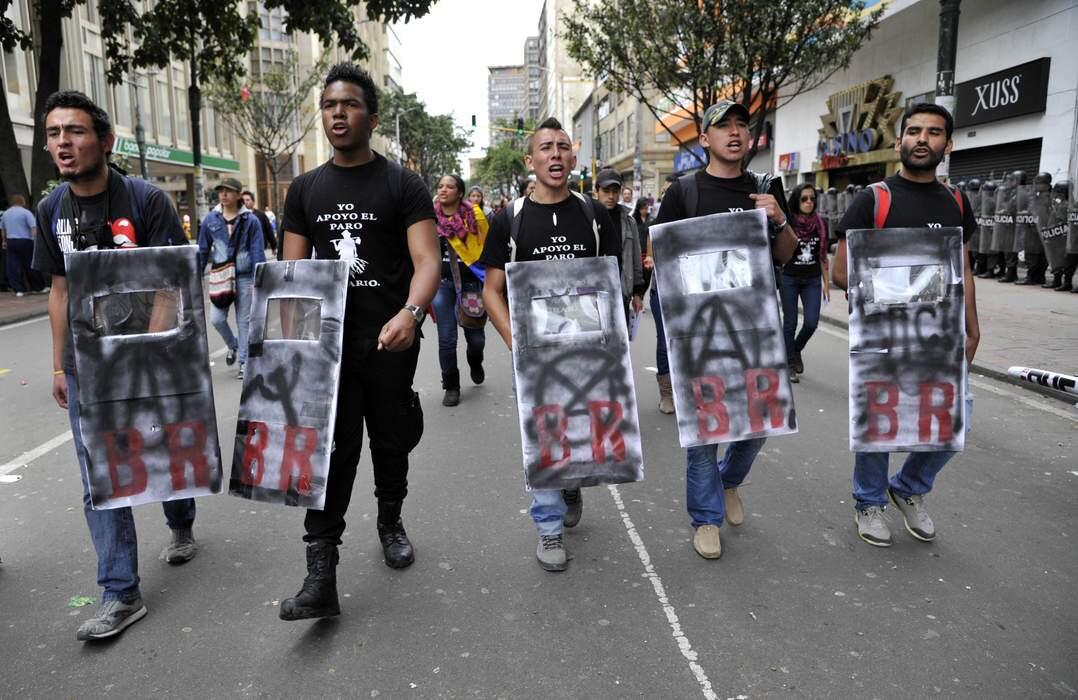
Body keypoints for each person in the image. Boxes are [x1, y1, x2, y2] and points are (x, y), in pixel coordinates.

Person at [31, 90, 199, 641]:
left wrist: (147, 355)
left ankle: (180, 521)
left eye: (75, 132)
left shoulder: (147, 201)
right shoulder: (51, 209)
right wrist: (60, 367)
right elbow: (59, 291)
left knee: (162, 445)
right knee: (99, 474)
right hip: (88, 364)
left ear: (104, 141)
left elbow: (172, 284)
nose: (63, 143)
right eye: (54, 133)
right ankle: (120, 592)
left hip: (149, 354)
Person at [277, 63, 439, 620]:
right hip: (328, 352)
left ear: (371, 116)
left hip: (391, 343)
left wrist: (411, 314)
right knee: (331, 453)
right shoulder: (305, 188)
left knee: (390, 441)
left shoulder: (403, 183)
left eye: (348, 104)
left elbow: (426, 261)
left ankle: (390, 518)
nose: (337, 114)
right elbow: (291, 276)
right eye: (329, 105)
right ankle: (320, 573)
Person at [652, 100, 797, 560]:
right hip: (700, 331)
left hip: (755, 330)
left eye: (742, 125)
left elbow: (786, 255)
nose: (734, 133)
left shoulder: (768, 186)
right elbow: (662, 257)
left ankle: (729, 481)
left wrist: (780, 219)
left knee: (756, 427)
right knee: (705, 431)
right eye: (723, 126)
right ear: (705, 139)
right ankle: (706, 519)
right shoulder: (684, 192)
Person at [832, 102, 980, 548]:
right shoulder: (873, 200)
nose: (922, 139)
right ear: (899, 142)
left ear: (947, 145)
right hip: (885, 335)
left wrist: (973, 328)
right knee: (880, 422)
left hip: (939, 336)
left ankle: (909, 488)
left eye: (933, 132)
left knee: (956, 425)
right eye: (913, 131)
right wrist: (906, 283)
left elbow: (964, 268)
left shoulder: (956, 200)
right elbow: (841, 273)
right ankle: (870, 502)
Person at [480, 117, 620, 572]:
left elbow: (609, 281)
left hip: (586, 349)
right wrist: (514, 340)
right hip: (535, 355)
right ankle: (549, 527)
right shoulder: (509, 220)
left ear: (573, 156)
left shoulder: (594, 215)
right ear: (531, 160)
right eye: (546, 148)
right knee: (541, 436)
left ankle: (570, 481)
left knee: (578, 428)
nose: (555, 155)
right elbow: (491, 291)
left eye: (563, 147)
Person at [197, 178, 265, 380]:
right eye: (221, 191)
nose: (223, 194)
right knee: (216, 319)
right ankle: (234, 345)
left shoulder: (250, 220)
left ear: (238, 194)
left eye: (228, 191)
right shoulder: (211, 220)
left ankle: (244, 362)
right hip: (220, 276)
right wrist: (197, 275)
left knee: (244, 321)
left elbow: (257, 252)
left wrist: (257, 280)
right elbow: (202, 250)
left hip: (244, 277)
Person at [433, 174, 487, 406]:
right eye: (440, 186)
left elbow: (486, 246)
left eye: (450, 186)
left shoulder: (475, 215)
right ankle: (451, 385)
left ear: (460, 193)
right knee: (446, 338)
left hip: (471, 284)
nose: (444, 190)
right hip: (441, 285)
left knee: (476, 338)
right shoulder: (428, 217)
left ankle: (475, 360)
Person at [779, 183, 830, 383]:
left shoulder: (820, 223)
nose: (809, 202)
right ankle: (790, 363)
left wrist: (826, 282)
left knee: (811, 323)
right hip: (789, 278)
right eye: (804, 198)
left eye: (812, 198)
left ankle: (795, 350)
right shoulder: (788, 222)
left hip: (812, 280)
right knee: (789, 323)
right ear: (796, 200)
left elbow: (822, 255)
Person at [594, 167, 646, 323]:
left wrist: (638, 293)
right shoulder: (588, 217)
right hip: (593, 293)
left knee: (620, 345)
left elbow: (636, 259)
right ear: (597, 191)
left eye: (615, 191)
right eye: (606, 191)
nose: (611, 196)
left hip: (621, 292)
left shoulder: (629, 222)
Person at [2, 194, 46, 296]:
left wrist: (4, 241)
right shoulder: (26, 213)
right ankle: (37, 287)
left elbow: (3, 230)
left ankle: (19, 289)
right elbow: (34, 227)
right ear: (22, 202)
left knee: (13, 265)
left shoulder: (6, 214)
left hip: (11, 241)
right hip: (26, 241)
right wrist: (36, 240)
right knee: (30, 264)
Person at [242, 189, 278, 255]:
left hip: (258, 248)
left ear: (253, 202)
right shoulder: (239, 216)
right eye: (243, 200)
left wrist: (273, 246)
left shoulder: (261, 215)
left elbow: (268, 230)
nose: (245, 202)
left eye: (248, 200)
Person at [633, 197, 652, 292]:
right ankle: (638, 296)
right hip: (637, 253)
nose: (644, 210)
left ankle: (641, 295)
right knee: (638, 277)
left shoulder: (651, 219)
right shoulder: (633, 220)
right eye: (642, 208)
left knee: (647, 278)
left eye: (646, 208)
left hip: (648, 253)